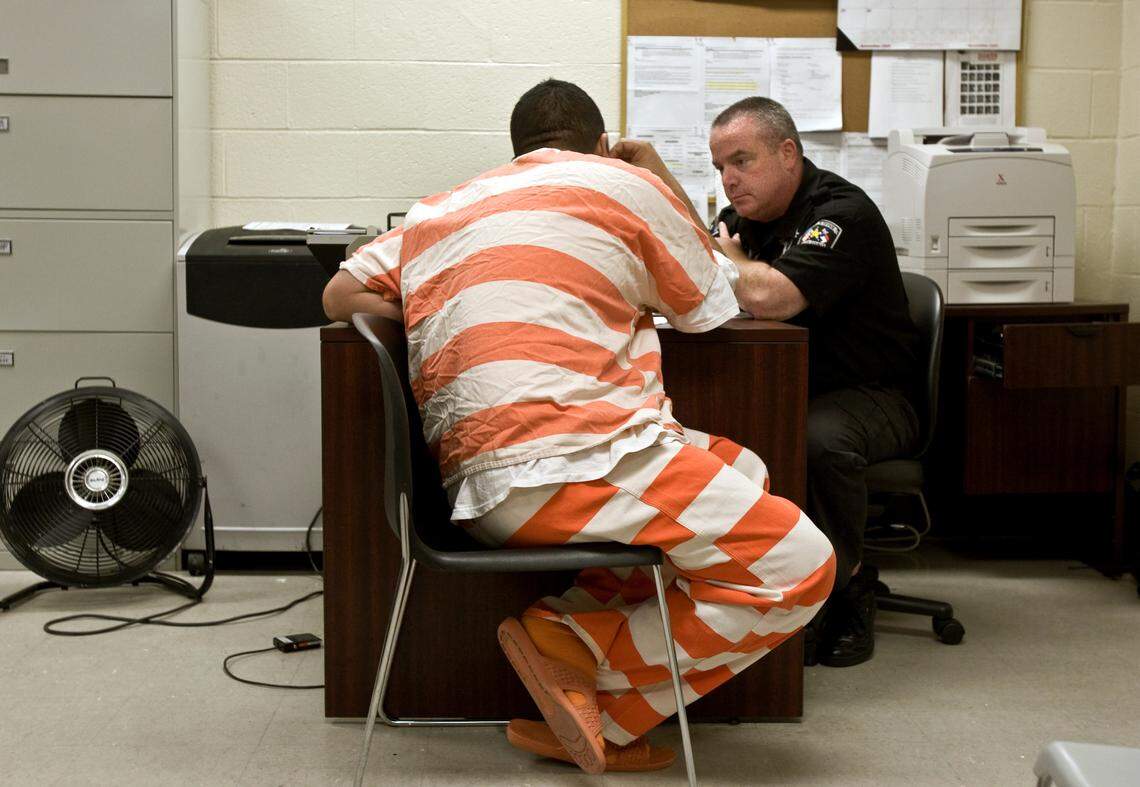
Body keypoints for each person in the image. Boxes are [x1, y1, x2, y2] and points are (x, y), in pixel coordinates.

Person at [323, 80, 835, 773]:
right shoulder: (620, 183)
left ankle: (570, 635)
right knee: (802, 566)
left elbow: (339, 293)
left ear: (518, 153)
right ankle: (603, 698)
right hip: (583, 463)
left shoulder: (441, 209)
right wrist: (650, 179)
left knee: (743, 470)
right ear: (599, 146)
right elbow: (708, 302)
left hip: (473, 489)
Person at [709, 97, 921, 667]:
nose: (729, 180)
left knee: (815, 438)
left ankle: (848, 589)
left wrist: (730, 263)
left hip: (873, 396)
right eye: (719, 167)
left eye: (741, 161)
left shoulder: (839, 214)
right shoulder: (743, 223)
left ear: (787, 153)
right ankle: (762, 587)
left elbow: (771, 295)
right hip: (796, 384)